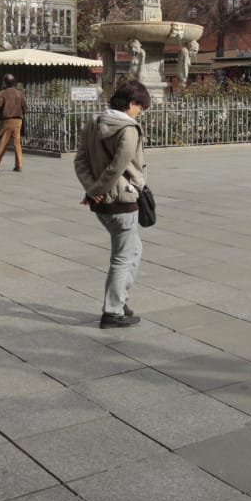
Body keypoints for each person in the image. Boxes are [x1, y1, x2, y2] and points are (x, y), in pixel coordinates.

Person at [74, 81, 151, 328]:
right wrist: (95, 189)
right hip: (123, 199)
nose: (141, 112)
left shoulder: (93, 123)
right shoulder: (128, 129)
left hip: (102, 202)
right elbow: (118, 166)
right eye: (141, 107)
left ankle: (120, 299)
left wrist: (91, 189)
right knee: (122, 257)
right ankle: (113, 311)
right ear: (131, 104)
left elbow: (80, 161)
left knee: (134, 250)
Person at [0, 74, 26, 172]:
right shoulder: (19, 93)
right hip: (18, 121)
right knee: (17, 143)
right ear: (14, 82)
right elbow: (25, 108)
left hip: (7, 120)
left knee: (3, 142)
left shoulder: (3, 93)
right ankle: (19, 165)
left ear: (5, 82)